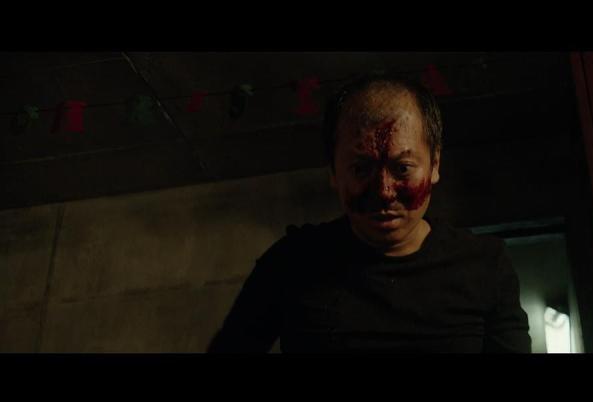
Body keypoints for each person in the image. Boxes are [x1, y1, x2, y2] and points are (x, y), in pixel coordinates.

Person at [207, 74, 531, 353]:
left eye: (402, 168)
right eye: (361, 169)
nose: (384, 191)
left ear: (434, 165)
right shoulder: (290, 263)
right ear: (334, 172)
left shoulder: (485, 265)